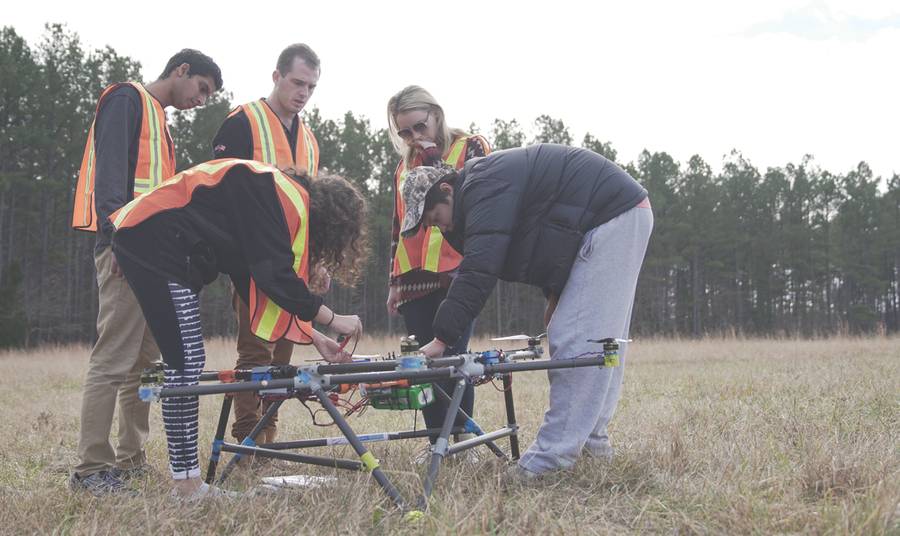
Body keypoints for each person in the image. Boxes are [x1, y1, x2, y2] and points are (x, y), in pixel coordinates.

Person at [109, 158, 366, 500]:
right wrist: (334, 319)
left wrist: (316, 337)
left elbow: (257, 286)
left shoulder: (271, 196)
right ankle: (187, 487)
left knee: (185, 361)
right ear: (331, 223)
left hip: (154, 239)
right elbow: (274, 275)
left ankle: (187, 484)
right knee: (185, 362)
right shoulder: (277, 196)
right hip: (157, 241)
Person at [399, 144, 653, 478]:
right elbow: (554, 238)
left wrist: (442, 337)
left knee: (578, 341)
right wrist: (554, 297)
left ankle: (549, 461)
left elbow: (479, 267)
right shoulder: (484, 186)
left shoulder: (482, 186)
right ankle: (593, 445)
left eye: (436, 218)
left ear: (446, 190)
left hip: (612, 216)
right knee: (601, 342)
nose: (440, 229)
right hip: (618, 215)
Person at [70, 49, 223, 495]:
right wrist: (118, 236)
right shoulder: (127, 99)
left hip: (153, 258)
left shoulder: (160, 122)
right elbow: (112, 173)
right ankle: (91, 470)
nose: (201, 99)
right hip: (126, 250)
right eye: (201, 88)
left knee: (145, 363)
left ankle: (131, 460)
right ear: (181, 71)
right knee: (114, 358)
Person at [211, 43, 322, 447]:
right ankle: (247, 443)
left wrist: (319, 260)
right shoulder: (243, 122)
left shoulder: (309, 139)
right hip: (251, 263)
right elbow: (218, 190)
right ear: (276, 77)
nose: (303, 93)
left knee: (281, 362)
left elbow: (313, 207)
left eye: (311, 86)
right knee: (256, 355)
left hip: (294, 269)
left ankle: (267, 440)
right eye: (297, 82)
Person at [385, 86, 490, 445]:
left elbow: (467, 194)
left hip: (456, 275)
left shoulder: (471, 146)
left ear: (436, 114)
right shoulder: (403, 166)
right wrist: (393, 280)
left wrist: (432, 158)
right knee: (422, 370)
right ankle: (436, 442)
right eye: (405, 133)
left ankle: (460, 440)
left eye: (419, 126)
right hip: (413, 280)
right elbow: (397, 224)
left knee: (454, 360)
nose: (415, 138)